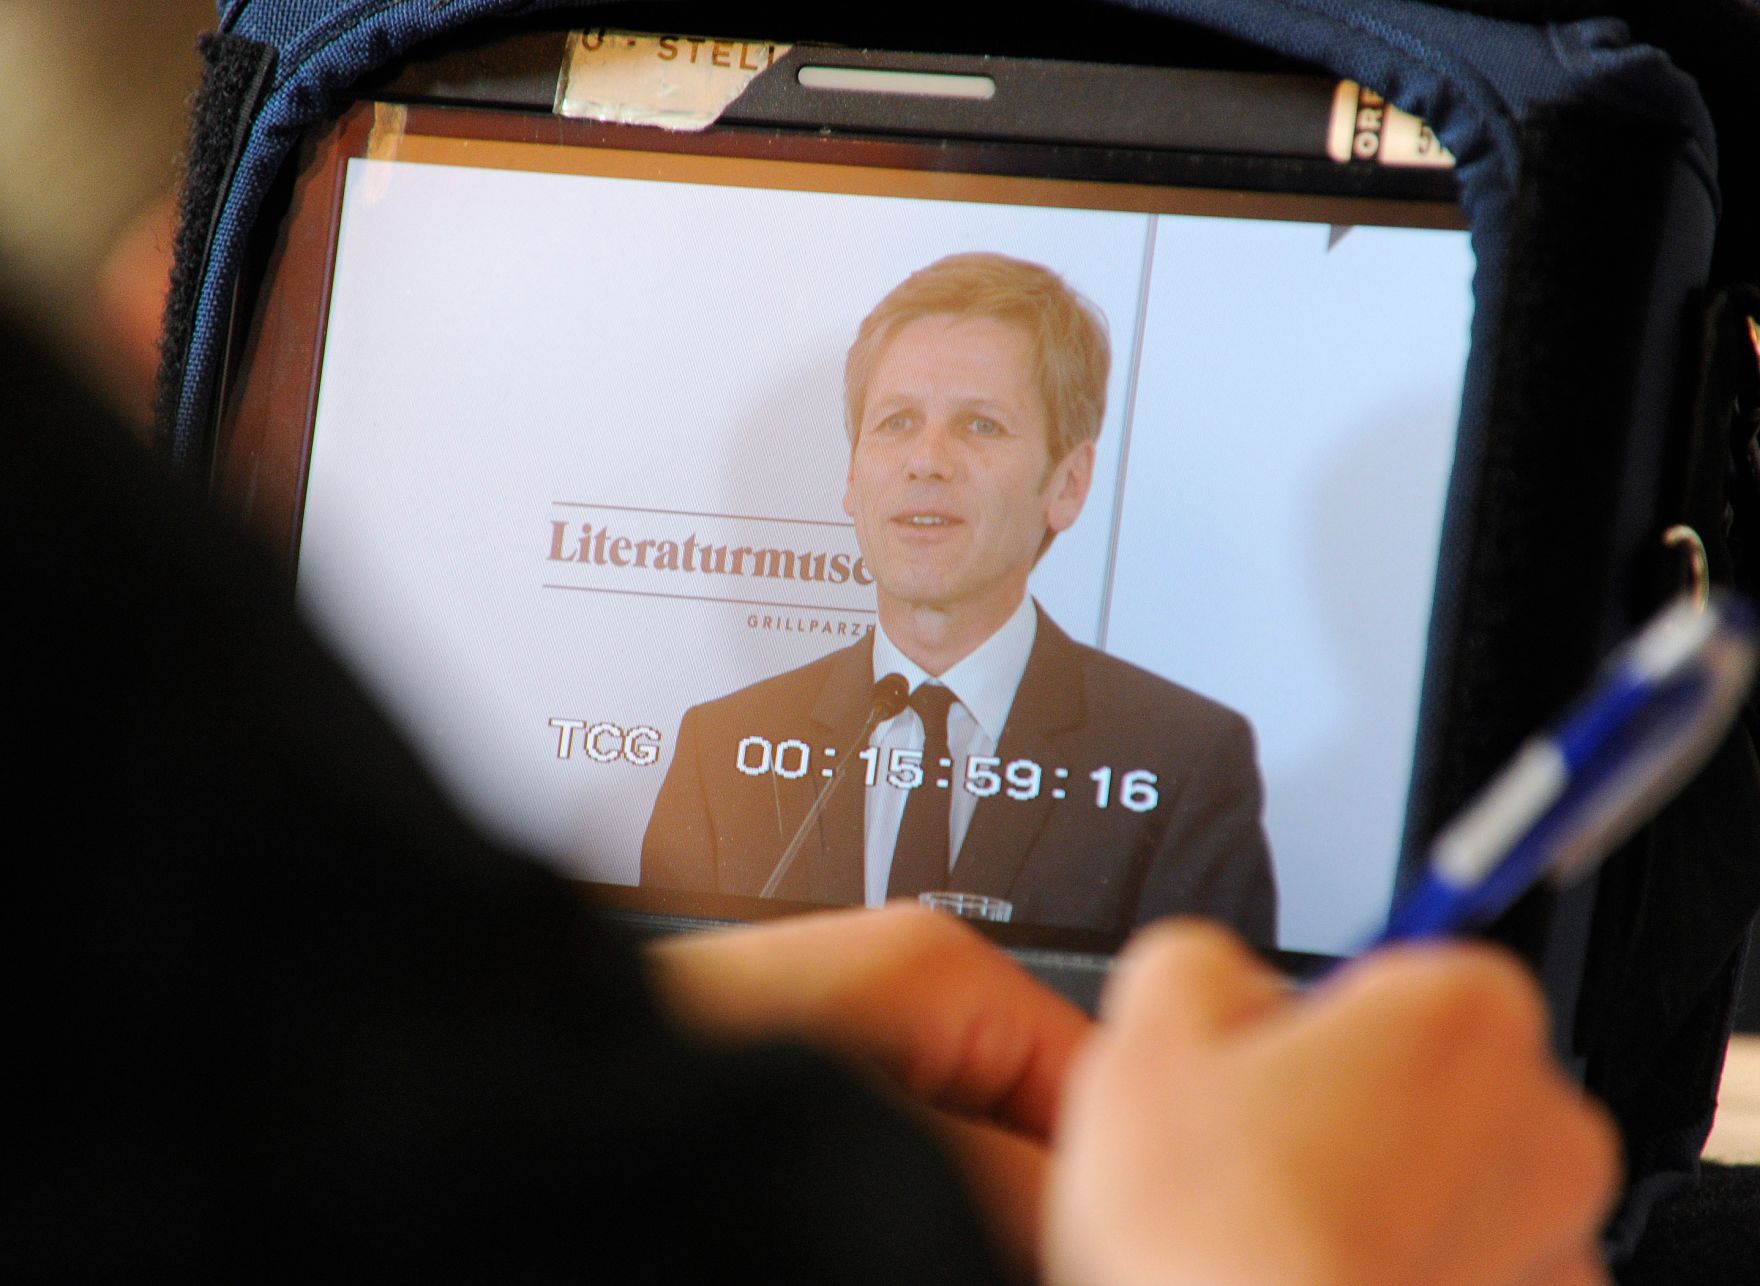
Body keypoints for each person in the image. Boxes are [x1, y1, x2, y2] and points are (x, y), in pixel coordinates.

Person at [643, 253, 1276, 943]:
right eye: (896, 422)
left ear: (1067, 482)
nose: (927, 460)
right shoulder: (724, 749)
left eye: (979, 425)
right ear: (853, 477)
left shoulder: (1182, 763)